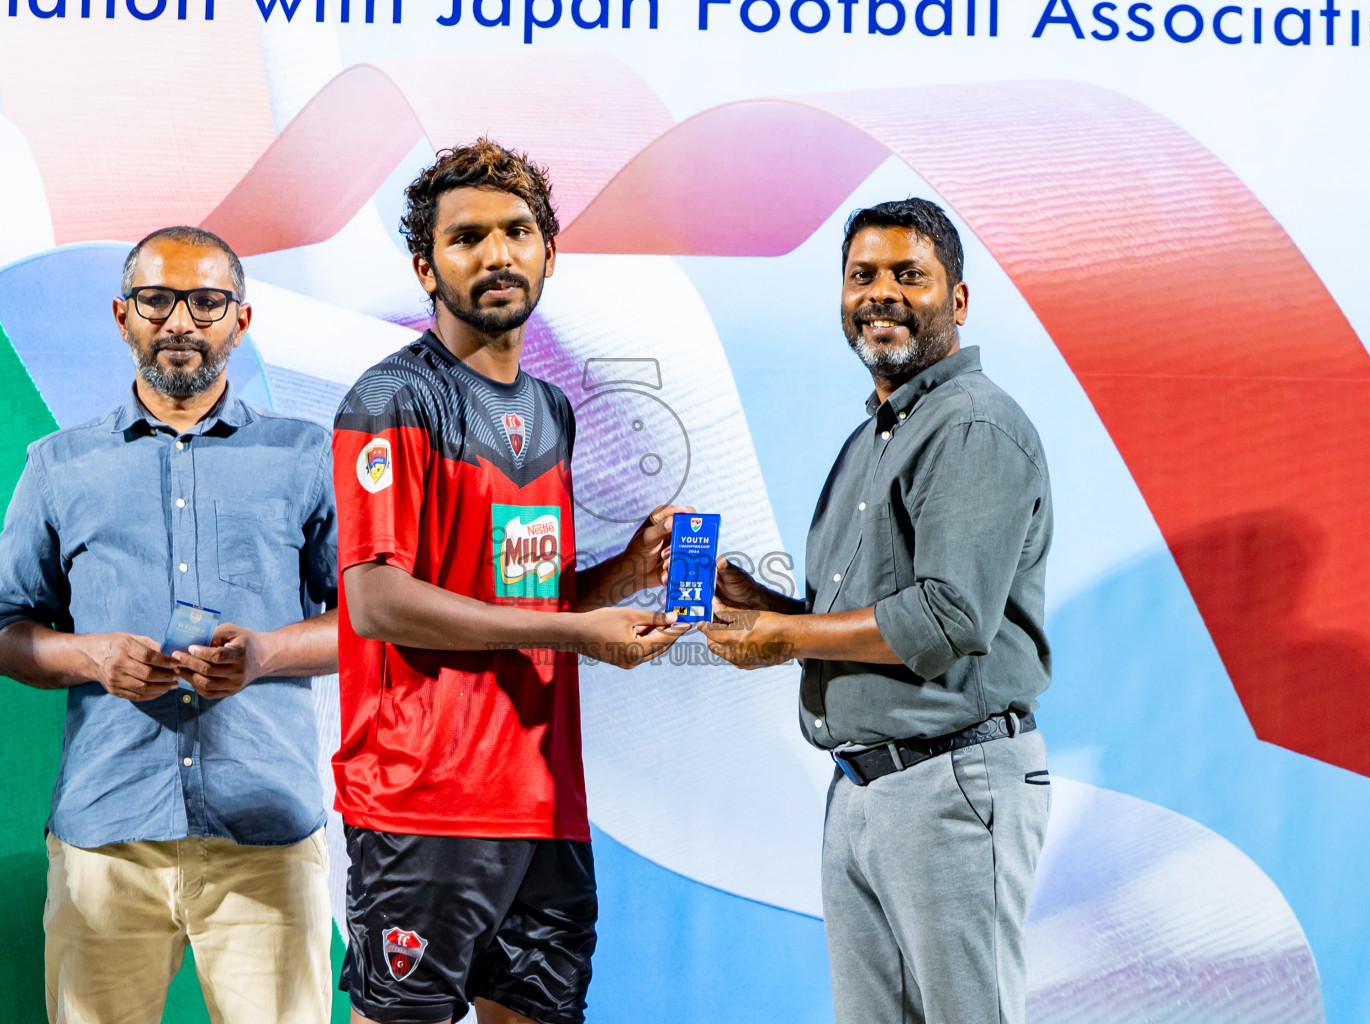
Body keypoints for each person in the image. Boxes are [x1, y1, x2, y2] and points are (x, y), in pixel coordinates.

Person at [332, 139, 688, 1024]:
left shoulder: (552, 410)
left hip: (544, 805)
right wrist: (576, 634)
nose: (497, 255)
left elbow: (524, 597)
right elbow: (375, 600)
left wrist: (621, 578)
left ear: (548, 253)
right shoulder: (392, 400)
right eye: (467, 238)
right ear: (426, 265)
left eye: (518, 232)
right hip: (424, 805)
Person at [701, 198, 1053, 1023]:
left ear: (956, 301)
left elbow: (946, 618)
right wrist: (774, 609)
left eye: (909, 275)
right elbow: (866, 615)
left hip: (950, 781)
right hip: (864, 787)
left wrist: (786, 635)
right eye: (863, 276)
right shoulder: (876, 437)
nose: (882, 293)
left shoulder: (970, 426)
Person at [0, 226, 339, 1024]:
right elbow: (2, 631)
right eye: (157, 300)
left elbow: (370, 622)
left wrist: (269, 653)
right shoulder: (56, 465)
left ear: (240, 321)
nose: (182, 320)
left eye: (207, 301)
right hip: (106, 834)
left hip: (265, 833)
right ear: (122, 315)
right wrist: (89, 656)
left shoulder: (308, 456)